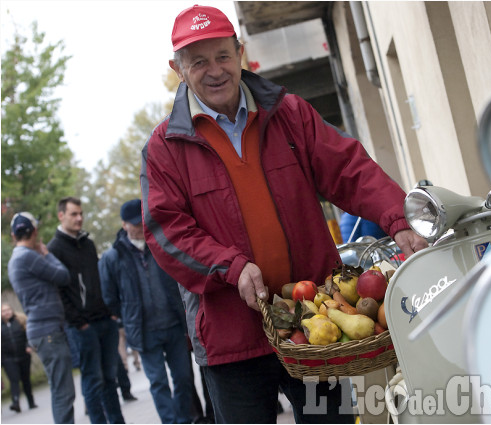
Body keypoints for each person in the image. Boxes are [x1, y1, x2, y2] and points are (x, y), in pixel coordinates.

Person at [141, 5, 428, 423]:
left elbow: (349, 170)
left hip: (317, 326)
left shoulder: (289, 113)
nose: (215, 70)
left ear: (240, 52)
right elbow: (166, 232)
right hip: (231, 340)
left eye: (223, 55)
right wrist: (231, 267)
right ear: (178, 69)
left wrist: (398, 218)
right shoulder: (164, 148)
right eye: (199, 62)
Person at [99, 199, 193, 424]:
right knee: (158, 382)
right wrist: (126, 316)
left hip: (173, 324)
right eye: (133, 223)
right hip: (143, 330)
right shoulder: (113, 257)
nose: (140, 227)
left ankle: (182, 420)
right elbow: (109, 296)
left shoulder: (161, 244)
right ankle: (170, 422)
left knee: (183, 377)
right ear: (123, 225)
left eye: (142, 220)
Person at [47, 197, 125, 424]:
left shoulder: (88, 244)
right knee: (93, 381)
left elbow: (100, 280)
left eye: (80, 213)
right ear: (61, 216)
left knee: (111, 379)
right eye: (73, 214)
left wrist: (111, 311)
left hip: (105, 320)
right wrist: (78, 321)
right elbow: (59, 292)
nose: (79, 218)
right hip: (82, 327)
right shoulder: (54, 249)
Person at [7, 212, 75, 423]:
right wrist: (46, 253)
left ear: (13, 235)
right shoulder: (27, 256)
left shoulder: (17, 259)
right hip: (48, 331)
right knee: (64, 392)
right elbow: (64, 276)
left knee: (59, 389)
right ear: (35, 232)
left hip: (43, 331)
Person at [1, 303, 37, 412]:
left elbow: (29, 335)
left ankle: (31, 402)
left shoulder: (20, 321)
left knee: (26, 379)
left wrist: (28, 346)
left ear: (12, 310)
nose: (6, 312)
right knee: (14, 379)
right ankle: (15, 402)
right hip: (8, 358)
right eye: (4, 311)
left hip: (23, 355)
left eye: (8, 310)